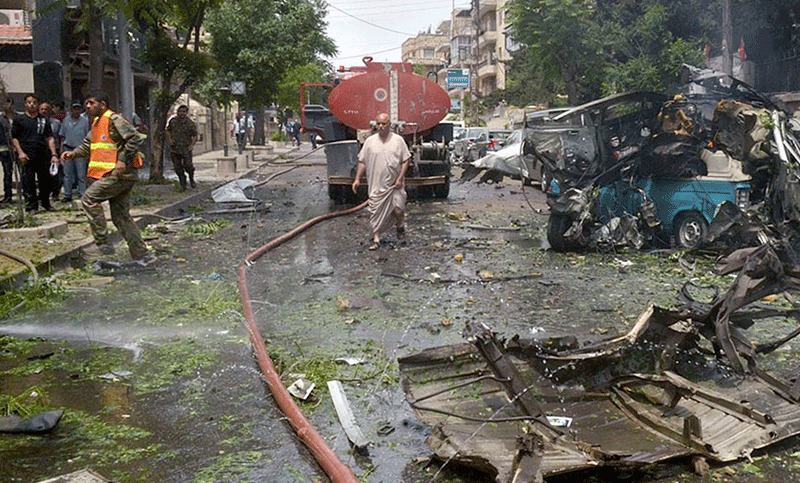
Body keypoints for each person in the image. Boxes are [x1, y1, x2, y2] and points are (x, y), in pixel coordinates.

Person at [61, 91, 154, 265]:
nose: (87, 106)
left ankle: (103, 243)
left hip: (120, 174)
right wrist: (73, 154)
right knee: (121, 216)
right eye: (86, 104)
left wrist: (121, 160)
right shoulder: (97, 123)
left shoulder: (114, 119)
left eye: (91, 103)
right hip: (113, 175)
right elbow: (89, 145)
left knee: (89, 198)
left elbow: (134, 137)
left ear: (102, 104)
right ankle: (142, 254)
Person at [351, 113, 411, 250]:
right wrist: (357, 179)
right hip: (376, 184)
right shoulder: (370, 142)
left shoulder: (398, 140)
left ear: (389, 124)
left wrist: (400, 178)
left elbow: (405, 160)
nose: (381, 126)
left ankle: (400, 225)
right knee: (375, 212)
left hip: (394, 185)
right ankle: (376, 238)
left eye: (383, 124)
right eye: (378, 123)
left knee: (398, 210)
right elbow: (362, 161)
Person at [11, 94, 58, 213]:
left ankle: (45, 202)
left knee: (46, 180)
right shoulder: (19, 119)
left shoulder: (43, 119)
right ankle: (31, 206)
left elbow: (49, 137)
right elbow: (14, 138)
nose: (32, 104)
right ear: (25, 104)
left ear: (38, 104)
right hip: (26, 154)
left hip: (42, 154)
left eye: (34, 102)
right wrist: (20, 152)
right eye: (29, 102)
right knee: (28, 181)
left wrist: (54, 154)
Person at [59, 102, 90, 202]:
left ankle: (82, 194)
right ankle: (67, 195)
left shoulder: (85, 121)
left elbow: (88, 137)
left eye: (78, 109)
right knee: (67, 174)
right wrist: (61, 149)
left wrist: (87, 152)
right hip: (68, 148)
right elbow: (62, 136)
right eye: (74, 109)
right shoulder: (66, 120)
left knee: (81, 175)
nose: (76, 111)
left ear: (80, 110)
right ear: (71, 110)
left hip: (80, 150)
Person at [165, 104, 198, 190]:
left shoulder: (190, 123)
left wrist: (191, 145)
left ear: (186, 112)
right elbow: (167, 131)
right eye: (180, 111)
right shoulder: (173, 121)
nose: (181, 113)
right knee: (177, 167)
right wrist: (170, 140)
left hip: (186, 148)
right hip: (175, 148)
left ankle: (191, 179)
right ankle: (183, 183)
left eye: (183, 112)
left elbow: (195, 136)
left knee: (188, 166)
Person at [39, 101, 63, 201]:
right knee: (43, 174)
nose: (44, 111)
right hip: (41, 151)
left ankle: (55, 193)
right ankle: (43, 195)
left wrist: (59, 152)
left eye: (46, 109)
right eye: (42, 109)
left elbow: (60, 137)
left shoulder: (56, 123)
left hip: (54, 151)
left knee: (55, 174)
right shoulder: (37, 122)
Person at [0, 97, 14, 203]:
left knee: (24, 172)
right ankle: (8, 195)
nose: (6, 106)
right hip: (5, 149)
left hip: (19, 148)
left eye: (8, 103)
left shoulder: (18, 117)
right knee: (7, 172)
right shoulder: (1, 119)